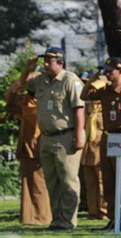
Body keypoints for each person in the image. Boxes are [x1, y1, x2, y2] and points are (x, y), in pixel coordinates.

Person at [20, 47, 85, 230]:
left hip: (66, 136)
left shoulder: (70, 80)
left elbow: (79, 109)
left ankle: (68, 221)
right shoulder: (40, 80)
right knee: (52, 181)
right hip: (47, 138)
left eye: (50, 60)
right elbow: (22, 84)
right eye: (45, 60)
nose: (46, 64)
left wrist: (79, 134)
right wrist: (27, 68)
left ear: (61, 62)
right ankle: (57, 220)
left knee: (68, 181)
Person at [80, 57, 121, 230]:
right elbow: (84, 96)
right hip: (107, 137)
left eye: (110, 70)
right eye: (105, 70)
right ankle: (113, 218)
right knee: (108, 180)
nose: (107, 73)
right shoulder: (104, 90)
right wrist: (95, 76)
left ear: (120, 71)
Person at [5, 75, 52, 225]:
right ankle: (29, 216)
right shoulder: (28, 102)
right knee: (28, 184)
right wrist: (24, 74)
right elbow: (10, 102)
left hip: (37, 148)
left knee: (40, 185)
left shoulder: (40, 103)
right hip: (27, 148)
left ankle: (41, 217)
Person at [79, 72, 108, 220]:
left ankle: (103, 210)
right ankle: (93, 210)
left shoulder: (106, 106)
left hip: (100, 146)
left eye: (95, 89)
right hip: (88, 146)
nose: (93, 91)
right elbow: (83, 95)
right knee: (90, 180)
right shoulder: (88, 107)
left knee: (102, 179)